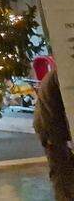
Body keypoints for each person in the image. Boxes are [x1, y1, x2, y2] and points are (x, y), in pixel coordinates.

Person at [36, 68, 74, 200]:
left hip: (50, 124)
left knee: (63, 169)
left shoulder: (62, 72)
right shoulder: (64, 75)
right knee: (62, 172)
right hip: (50, 128)